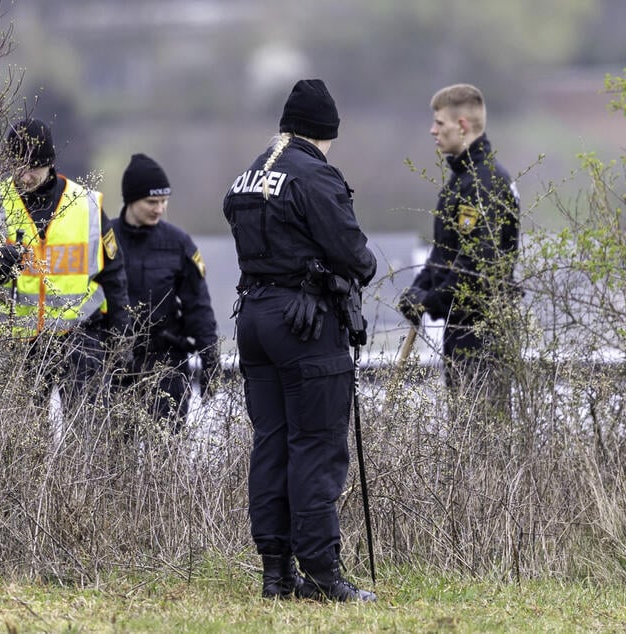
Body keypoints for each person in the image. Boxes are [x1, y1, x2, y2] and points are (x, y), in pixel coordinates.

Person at [223, 79, 377, 602]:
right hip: (304, 323)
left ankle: (275, 571)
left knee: (271, 443)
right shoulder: (315, 174)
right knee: (314, 445)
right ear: (324, 131)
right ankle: (321, 574)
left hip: (253, 319)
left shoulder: (247, 175)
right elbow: (357, 256)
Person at [0, 118, 130, 410]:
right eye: (17, 166)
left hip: (81, 337)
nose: (25, 176)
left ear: (50, 164)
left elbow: (114, 273)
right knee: (21, 442)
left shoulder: (87, 205)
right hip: (16, 343)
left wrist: (121, 337)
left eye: (33, 168)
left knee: (86, 433)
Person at [397, 84, 520, 402]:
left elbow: (476, 264)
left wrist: (433, 300)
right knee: (462, 430)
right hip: (460, 328)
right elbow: (445, 252)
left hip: (483, 332)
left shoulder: (486, 182)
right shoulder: (460, 180)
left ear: (462, 125)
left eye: (439, 123)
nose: (432, 130)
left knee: (481, 436)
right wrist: (419, 288)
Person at [110, 153, 220, 434]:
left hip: (167, 363)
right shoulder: (105, 238)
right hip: (116, 365)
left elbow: (199, 306)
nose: (159, 209)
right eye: (152, 202)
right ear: (131, 199)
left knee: (167, 453)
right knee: (111, 460)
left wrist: (210, 360)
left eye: (163, 201)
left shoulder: (178, 242)